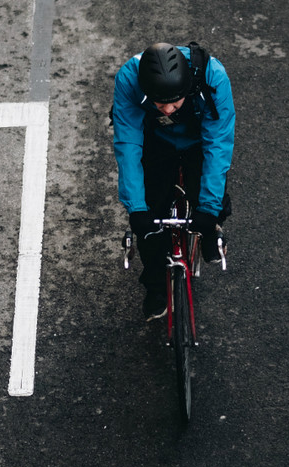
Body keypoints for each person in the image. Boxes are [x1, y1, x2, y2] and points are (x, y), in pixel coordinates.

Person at [112, 42, 235, 321]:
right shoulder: (129, 79)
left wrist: (208, 208)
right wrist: (137, 209)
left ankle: (209, 232)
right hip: (155, 140)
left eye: (175, 102)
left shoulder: (213, 77)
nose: (167, 109)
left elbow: (218, 144)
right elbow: (128, 144)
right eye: (159, 103)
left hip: (199, 139)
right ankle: (156, 287)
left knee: (209, 197)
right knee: (151, 218)